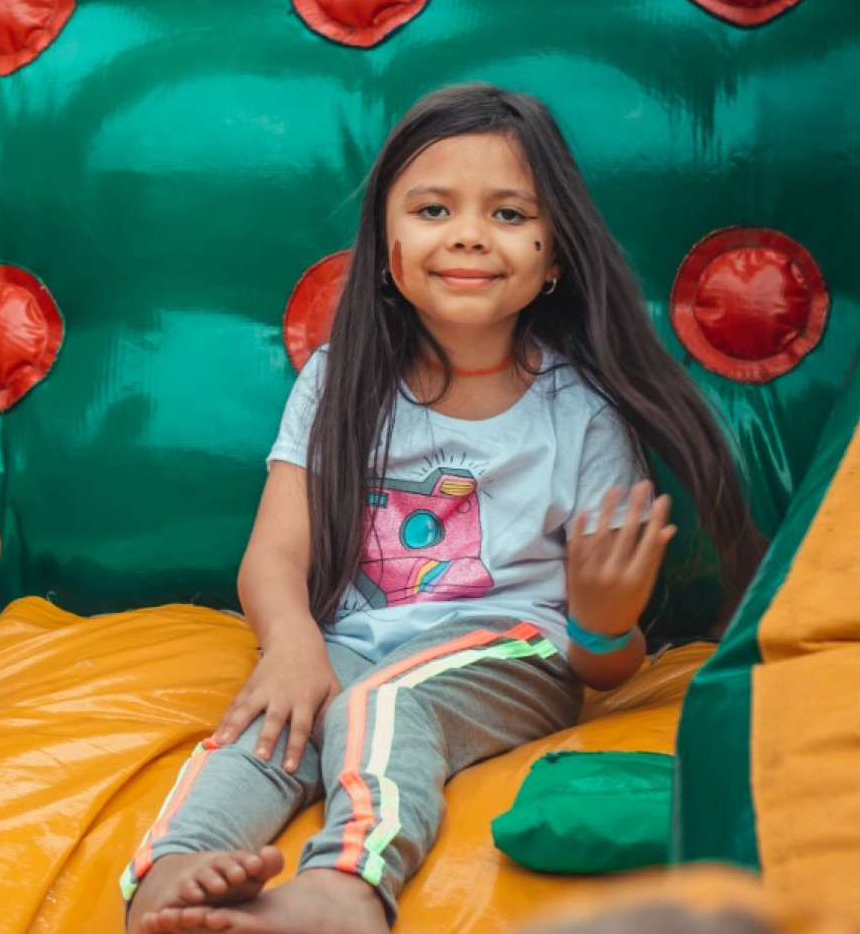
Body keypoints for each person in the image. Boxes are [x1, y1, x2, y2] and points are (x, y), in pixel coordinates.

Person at [121, 83, 761, 934]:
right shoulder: (338, 382)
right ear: (386, 249)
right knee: (268, 723)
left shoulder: (579, 414)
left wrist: (605, 622)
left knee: (380, 705)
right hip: (352, 644)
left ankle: (347, 887)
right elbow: (274, 554)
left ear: (554, 255)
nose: (466, 233)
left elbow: (601, 666)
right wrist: (291, 645)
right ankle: (170, 875)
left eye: (506, 214)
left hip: (513, 654)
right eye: (432, 208)